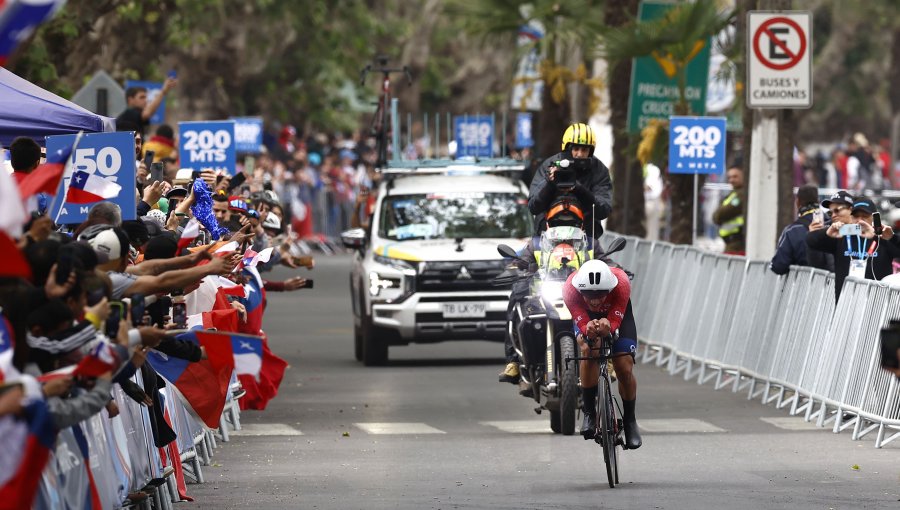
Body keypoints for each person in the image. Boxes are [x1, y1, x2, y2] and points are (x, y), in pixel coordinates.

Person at [563, 259, 641, 449]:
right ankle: (589, 412)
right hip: (586, 318)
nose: (595, 300)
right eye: (589, 295)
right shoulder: (569, 289)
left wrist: (610, 325)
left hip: (618, 317)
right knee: (589, 349)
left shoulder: (621, 282)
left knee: (623, 367)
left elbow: (615, 320)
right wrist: (585, 329)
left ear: (610, 288)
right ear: (580, 290)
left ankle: (630, 420)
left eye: (601, 294)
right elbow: (580, 321)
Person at [807, 196, 900, 302]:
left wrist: (893, 238)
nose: (860, 221)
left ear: (874, 218)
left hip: (875, 304)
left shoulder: (882, 237)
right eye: (856, 216)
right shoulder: (843, 234)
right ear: (851, 218)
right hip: (845, 302)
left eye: (865, 216)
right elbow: (810, 241)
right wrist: (826, 232)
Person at [527, 123, 612, 238]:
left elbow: (604, 210)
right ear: (566, 148)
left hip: (586, 238)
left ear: (591, 151)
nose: (580, 154)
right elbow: (533, 207)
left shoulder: (599, 170)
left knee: (602, 257)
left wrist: (579, 189)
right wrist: (550, 183)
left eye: (584, 150)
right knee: (525, 255)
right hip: (546, 237)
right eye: (576, 149)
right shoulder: (549, 165)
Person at [769, 185, 833, 274]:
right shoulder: (833, 226)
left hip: (803, 285)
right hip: (833, 285)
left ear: (797, 202)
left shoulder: (792, 231)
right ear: (818, 201)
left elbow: (778, 266)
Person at [712, 166, 746, 255]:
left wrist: (717, 216)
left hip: (737, 242)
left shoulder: (741, 194)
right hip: (731, 242)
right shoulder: (733, 194)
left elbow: (722, 214)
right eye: (729, 177)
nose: (731, 180)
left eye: (735, 176)